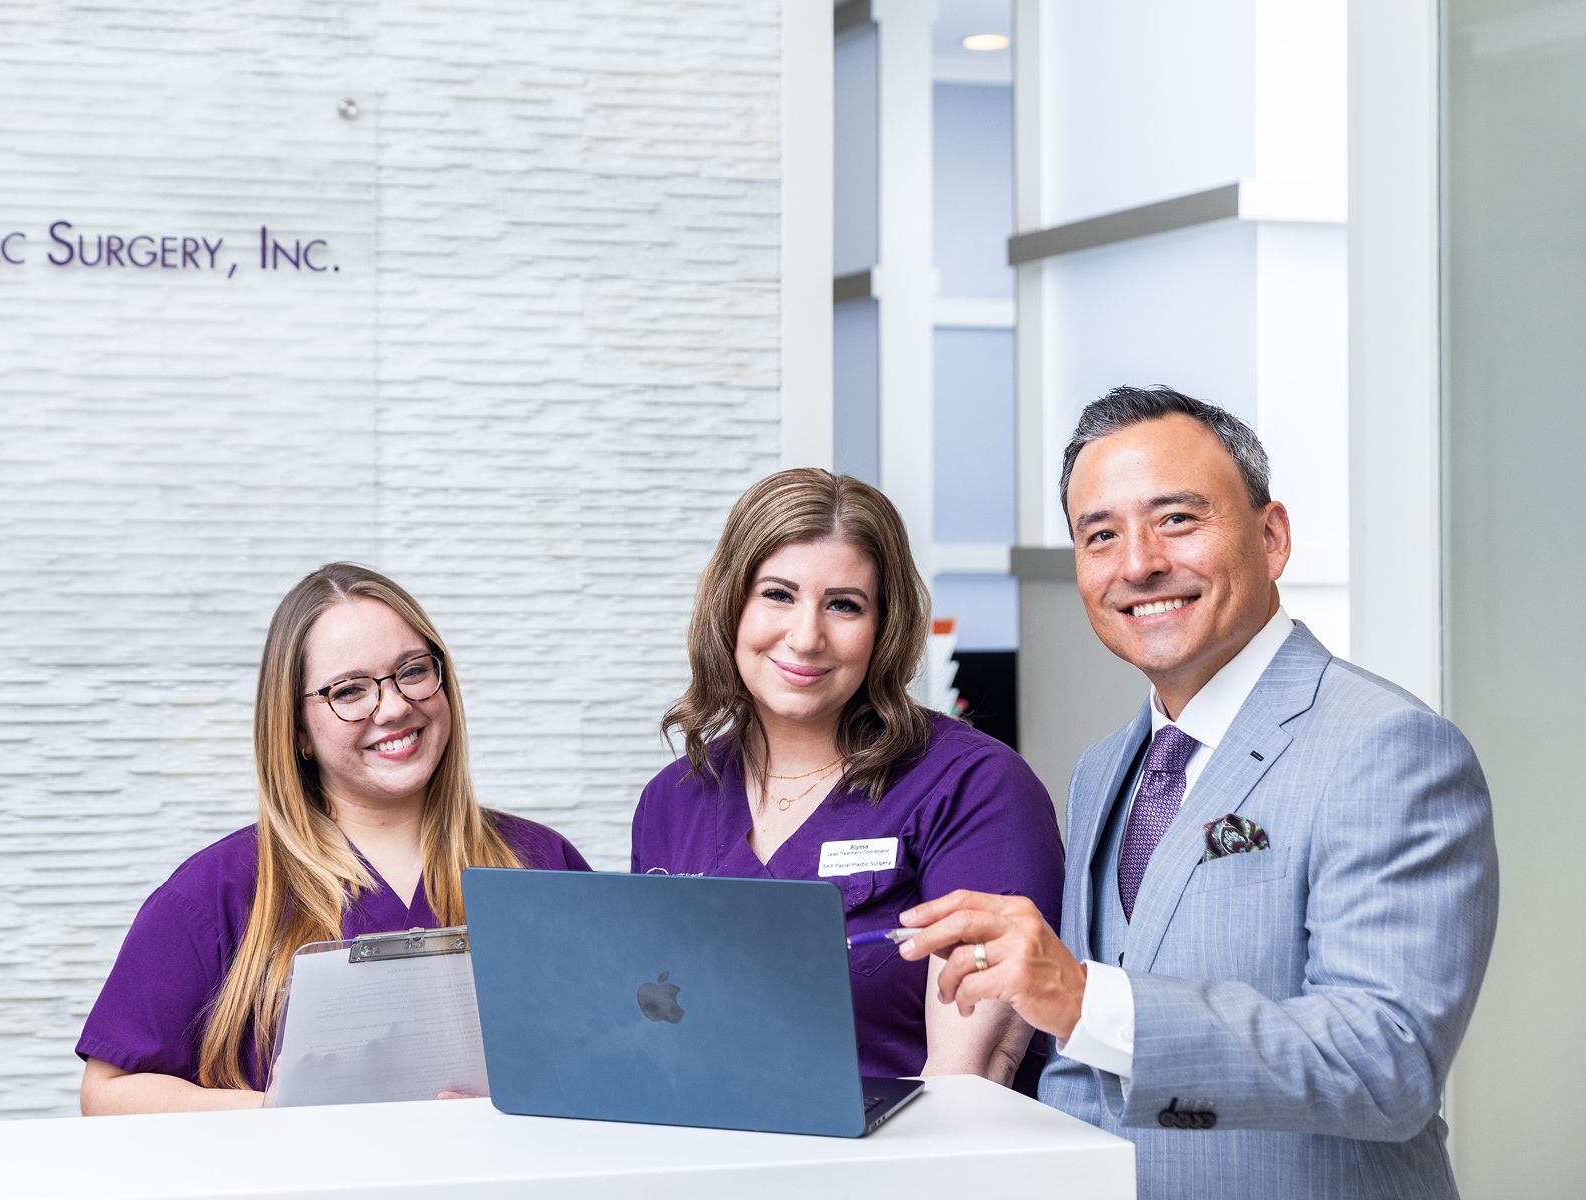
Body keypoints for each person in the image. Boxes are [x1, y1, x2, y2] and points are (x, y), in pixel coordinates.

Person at [895, 387, 1498, 1199]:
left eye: (1176, 519)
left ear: (1272, 536)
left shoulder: (1388, 748)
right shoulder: (1103, 768)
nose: (1138, 562)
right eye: (1100, 535)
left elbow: (1384, 1063)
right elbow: (1086, 1073)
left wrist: (1080, 996)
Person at [76, 562, 590, 1114]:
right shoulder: (215, 892)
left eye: (413, 671)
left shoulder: (540, 863)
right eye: (348, 691)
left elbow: (626, 1049)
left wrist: (531, 1092)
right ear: (295, 728)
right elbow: (107, 1094)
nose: (393, 707)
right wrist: (291, 1114)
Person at [631, 468, 1063, 1088]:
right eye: (777, 595)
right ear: (730, 608)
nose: (806, 637)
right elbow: (654, 1027)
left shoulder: (975, 787)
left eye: (843, 605)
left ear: (884, 627)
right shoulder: (672, 799)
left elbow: (971, 1076)